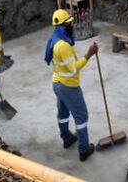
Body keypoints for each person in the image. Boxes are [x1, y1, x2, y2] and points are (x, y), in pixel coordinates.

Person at [45, 9, 100, 161]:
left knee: (62, 113)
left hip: (58, 83)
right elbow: (74, 67)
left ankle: (67, 138)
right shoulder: (63, 46)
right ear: (63, 26)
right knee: (81, 117)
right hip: (68, 86)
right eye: (69, 24)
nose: (71, 27)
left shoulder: (54, 39)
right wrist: (89, 54)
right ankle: (83, 149)